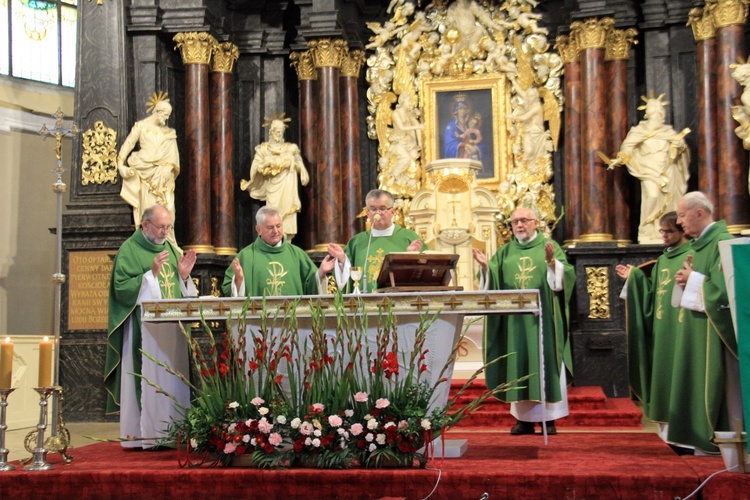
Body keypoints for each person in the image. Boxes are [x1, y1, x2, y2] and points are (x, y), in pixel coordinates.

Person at [473, 207, 575, 435]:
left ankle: (549, 419)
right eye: (515, 222)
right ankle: (525, 421)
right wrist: (485, 267)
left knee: (544, 362)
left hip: (543, 321)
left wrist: (551, 264)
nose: (519, 225)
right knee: (517, 364)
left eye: (524, 221)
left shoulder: (550, 247)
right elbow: (494, 279)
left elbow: (564, 277)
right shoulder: (505, 251)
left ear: (536, 223)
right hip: (515, 323)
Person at [104, 204, 198, 448]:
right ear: (145, 225)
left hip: (171, 332)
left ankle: (174, 432)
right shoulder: (129, 250)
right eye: (160, 227)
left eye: (168, 227)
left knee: (171, 379)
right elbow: (121, 289)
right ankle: (143, 436)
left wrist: (184, 276)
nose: (164, 232)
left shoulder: (171, 248)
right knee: (147, 380)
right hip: (143, 332)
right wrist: (150, 275)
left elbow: (179, 287)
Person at [669, 191, 741, 454]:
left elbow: (725, 294)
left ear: (700, 213)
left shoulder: (722, 243)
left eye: (682, 215)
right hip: (699, 328)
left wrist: (693, 280)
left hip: (716, 335)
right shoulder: (700, 244)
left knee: (721, 387)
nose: (678, 222)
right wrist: (686, 280)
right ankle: (697, 438)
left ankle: (725, 443)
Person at [615, 212, 691, 439]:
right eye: (662, 231)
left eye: (669, 231)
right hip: (662, 329)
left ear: (683, 232)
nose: (664, 236)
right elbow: (652, 294)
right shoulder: (664, 260)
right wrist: (635, 277)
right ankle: (669, 431)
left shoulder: (691, 255)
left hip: (682, 328)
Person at [608, 95, 690, 244]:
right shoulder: (639, 130)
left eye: (660, 111)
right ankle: (649, 230)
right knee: (652, 196)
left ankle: (668, 231)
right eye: (654, 111)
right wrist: (620, 159)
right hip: (648, 170)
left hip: (668, 169)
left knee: (670, 201)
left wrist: (679, 147)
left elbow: (681, 150)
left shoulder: (668, 131)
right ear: (647, 113)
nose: (657, 114)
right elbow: (627, 148)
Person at [223, 206, 334, 297]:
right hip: (258, 321)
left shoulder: (297, 254)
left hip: (292, 320)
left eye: (278, 226)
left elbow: (310, 286)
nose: (275, 231)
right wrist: (239, 279)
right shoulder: (246, 256)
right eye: (270, 227)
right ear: (258, 230)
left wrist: (321, 273)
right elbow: (228, 292)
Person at [327, 189, 425, 293]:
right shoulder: (357, 242)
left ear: (393, 211)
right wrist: (342, 260)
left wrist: (413, 257)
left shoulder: (409, 238)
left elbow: (427, 272)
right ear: (367, 213)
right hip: (364, 305)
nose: (377, 213)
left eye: (383, 209)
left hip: (399, 303)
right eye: (373, 209)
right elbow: (345, 281)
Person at [117, 94, 180, 248]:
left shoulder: (168, 133)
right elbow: (128, 145)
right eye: (165, 115)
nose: (166, 119)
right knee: (148, 212)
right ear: (157, 111)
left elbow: (173, 157)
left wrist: (168, 170)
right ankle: (147, 244)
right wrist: (121, 165)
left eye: (168, 116)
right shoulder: (141, 127)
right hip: (145, 175)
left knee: (169, 210)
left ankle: (169, 243)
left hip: (163, 180)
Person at [241, 116, 309, 242]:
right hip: (273, 188)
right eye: (277, 132)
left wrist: (301, 169)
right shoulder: (264, 149)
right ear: (271, 132)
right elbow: (255, 166)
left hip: (288, 185)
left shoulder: (290, 148)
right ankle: (272, 242)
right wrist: (262, 168)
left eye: (281, 132)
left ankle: (287, 244)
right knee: (273, 215)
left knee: (288, 216)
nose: (279, 134)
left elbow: (300, 164)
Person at [443, 93, 471, 158]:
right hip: (457, 157)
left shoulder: (468, 126)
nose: (462, 111)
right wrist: (463, 145)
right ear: (456, 111)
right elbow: (449, 145)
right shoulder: (451, 126)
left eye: (464, 109)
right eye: (460, 109)